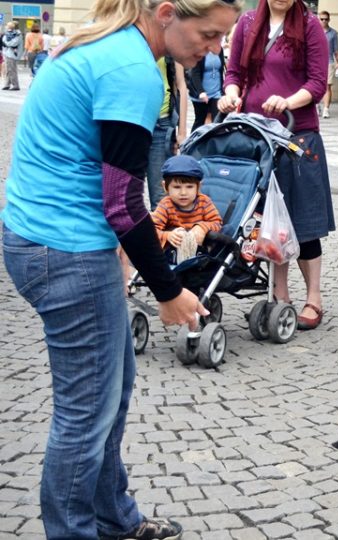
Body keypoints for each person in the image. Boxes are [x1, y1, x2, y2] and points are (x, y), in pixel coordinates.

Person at [0, 0, 239, 537]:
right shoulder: (132, 70)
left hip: (44, 238)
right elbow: (123, 203)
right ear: (166, 14)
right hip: (65, 251)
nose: (214, 50)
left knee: (113, 390)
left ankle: (114, 520)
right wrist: (169, 288)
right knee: (85, 414)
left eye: (221, 38)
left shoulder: (103, 44)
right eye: (207, 33)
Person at [220, 0, 336, 331]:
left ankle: (314, 297)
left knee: (304, 219)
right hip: (258, 135)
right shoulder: (246, 23)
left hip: (296, 136)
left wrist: (288, 100)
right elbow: (234, 73)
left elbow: (317, 83)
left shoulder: (310, 25)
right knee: (268, 221)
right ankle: (279, 296)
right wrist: (230, 94)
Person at [152, 155, 223, 262]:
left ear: (198, 187)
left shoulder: (204, 202)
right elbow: (152, 229)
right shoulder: (166, 205)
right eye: (177, 187)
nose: (183, 193)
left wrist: (202, 227)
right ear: (165, 187)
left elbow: (217, 223)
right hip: (173, 254)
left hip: (200, 254)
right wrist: (167, 236)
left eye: (189, 187)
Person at [146, 56, 190, 207]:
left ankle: (161, 230)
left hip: (162, 123)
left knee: (161, 198)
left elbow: (181, 85)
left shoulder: (170, 41)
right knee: (126, 191)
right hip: (132, 122)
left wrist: (182, 132)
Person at [187, 50, 225, 131]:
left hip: (216, 92)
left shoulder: (219, 50)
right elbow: (195, 73)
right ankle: (193, 141)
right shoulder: (199, 49)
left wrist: (223, 90)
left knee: (217, 121)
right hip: (201, 93)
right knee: (200, 121)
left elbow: (221, 71)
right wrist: (201, 92)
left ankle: (215, 142)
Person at [319, 10, 338, 119]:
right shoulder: (315, 31)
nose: (323, 21)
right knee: (317, 85)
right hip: (316, 62)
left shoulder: (333, 33)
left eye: (326, 19)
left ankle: (326, 109)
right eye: (321, 19)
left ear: (329, 20)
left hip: (329, 62)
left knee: (327, 86)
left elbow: (336, 50)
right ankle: (316, 105)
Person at [1, 22, 22, 91]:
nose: (6, 27)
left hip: (11, 54)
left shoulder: (17, 34)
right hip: (7, 53)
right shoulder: (9, 34)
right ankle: (7, 84)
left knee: (12, 70)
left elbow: (13, 43)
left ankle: (15, 85)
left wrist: (6, 43)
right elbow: (3, 40)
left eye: (7, 26)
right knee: (8, 69)